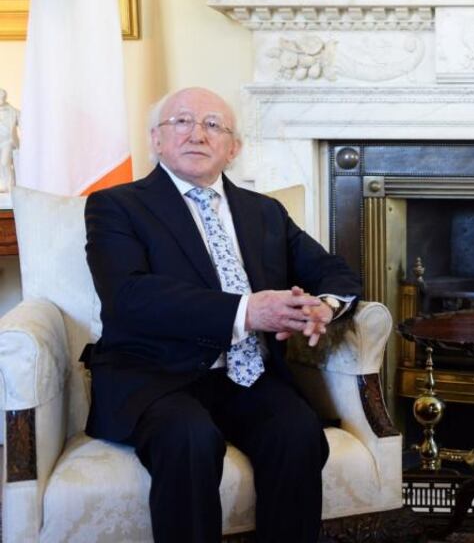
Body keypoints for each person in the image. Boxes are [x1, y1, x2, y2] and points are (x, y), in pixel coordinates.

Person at [83, 87, 361, 543]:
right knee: (190, 439)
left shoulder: (265, 212)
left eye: (213, 125)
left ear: (233, 148)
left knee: (298, 432)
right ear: (156, 138)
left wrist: (322, 307)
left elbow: (335, 272)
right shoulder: (117, 206)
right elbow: (128, 297)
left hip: (246, 377)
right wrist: (248, 310)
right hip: (156, 376)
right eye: (182, 122)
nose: (197, 133)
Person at [0, 88, 19, 192]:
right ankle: (3, 184)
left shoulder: (13, 111)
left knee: (4, 162)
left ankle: (10, 185)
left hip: (7, 141)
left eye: (2, 97)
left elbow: (25, 124)